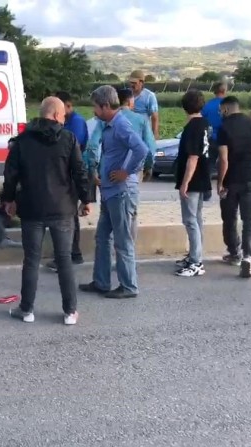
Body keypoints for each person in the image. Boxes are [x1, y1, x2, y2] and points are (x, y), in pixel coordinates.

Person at [1, 97, 91, 325]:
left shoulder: (22, 140)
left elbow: (11, 173)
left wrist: (8, 199)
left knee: (31, 260)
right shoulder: (68, 139)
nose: (64, 119)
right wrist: (85, 199)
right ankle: (70, 312)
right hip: (63, 208)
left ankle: (26, 309)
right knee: (64, 260)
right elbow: (79, 171)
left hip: (31, 208)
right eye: (63, 116)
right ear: (56, 114)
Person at [78, 85, 148, 299]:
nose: (94, 112)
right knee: (102, 238)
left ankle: (129, 286)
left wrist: (126, 172)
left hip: (121, 192)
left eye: (96, 107)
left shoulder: (120, 125)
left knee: (122, 241)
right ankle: (101, 282)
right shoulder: (109, 124)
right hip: (110, 192)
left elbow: (141, 149)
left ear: (106, 105)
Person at [217, 96, 251, 278]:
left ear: (225, 109)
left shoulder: (224, 127)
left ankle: (234, 253)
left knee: (229, 218)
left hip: (231, 180)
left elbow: (224, 160)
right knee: (250, 220)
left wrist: (220, 182)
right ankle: (247, 256)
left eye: (220, 110)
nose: (219, 113)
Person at [44, 91, 88, 272]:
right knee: (68, 216)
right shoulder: (67, 122)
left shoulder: (76, 122)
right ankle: (70, 254)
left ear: (68, 105)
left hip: (71, 174)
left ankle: (72, 254)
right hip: (65, 173)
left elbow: (73, 147)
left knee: (69, 217)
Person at [174, 90, 212, 277]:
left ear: (184, 107)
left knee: (190, 220)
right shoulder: (204, 123)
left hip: (193, 179)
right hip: (203, 176)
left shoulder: (192, 127)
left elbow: (193, 157)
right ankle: (195, 255)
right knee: (196, 219)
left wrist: (185, 182)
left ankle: (196, 262)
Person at [201, 81, 227, 174]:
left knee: (209, 164)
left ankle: (207, 181)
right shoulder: (229, 104)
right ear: (224, 90)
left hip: (211, 138)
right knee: (226, 162)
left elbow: (202, 121)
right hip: (226, 138)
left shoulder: (207, 105)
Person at [128, 70, 159, 140]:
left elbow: (154, 117)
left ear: (141, 82)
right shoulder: (126, 94)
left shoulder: (149, 96)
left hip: (143, 133)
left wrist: (154, 136)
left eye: (134, 83)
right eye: (131, 82)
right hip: (128, 133)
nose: (132, 85)